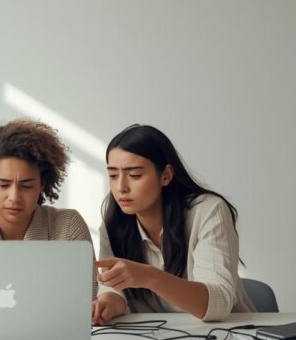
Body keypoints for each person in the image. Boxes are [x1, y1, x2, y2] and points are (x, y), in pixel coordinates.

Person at [91, 124, 255, 325]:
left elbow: (218, 304)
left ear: (166, 175)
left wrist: (149, 277)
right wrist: (107, 303)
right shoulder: (114, 221)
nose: (121, 187)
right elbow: (113, 287)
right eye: (113, 175)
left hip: (231, 337)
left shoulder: (208, 211)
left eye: (134, 175)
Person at [0, 120, 94, 292]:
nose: (14, 198)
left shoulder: (68, 225)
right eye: (3, 185)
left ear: (42, 184)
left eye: (26, 186)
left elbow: (88, 296)